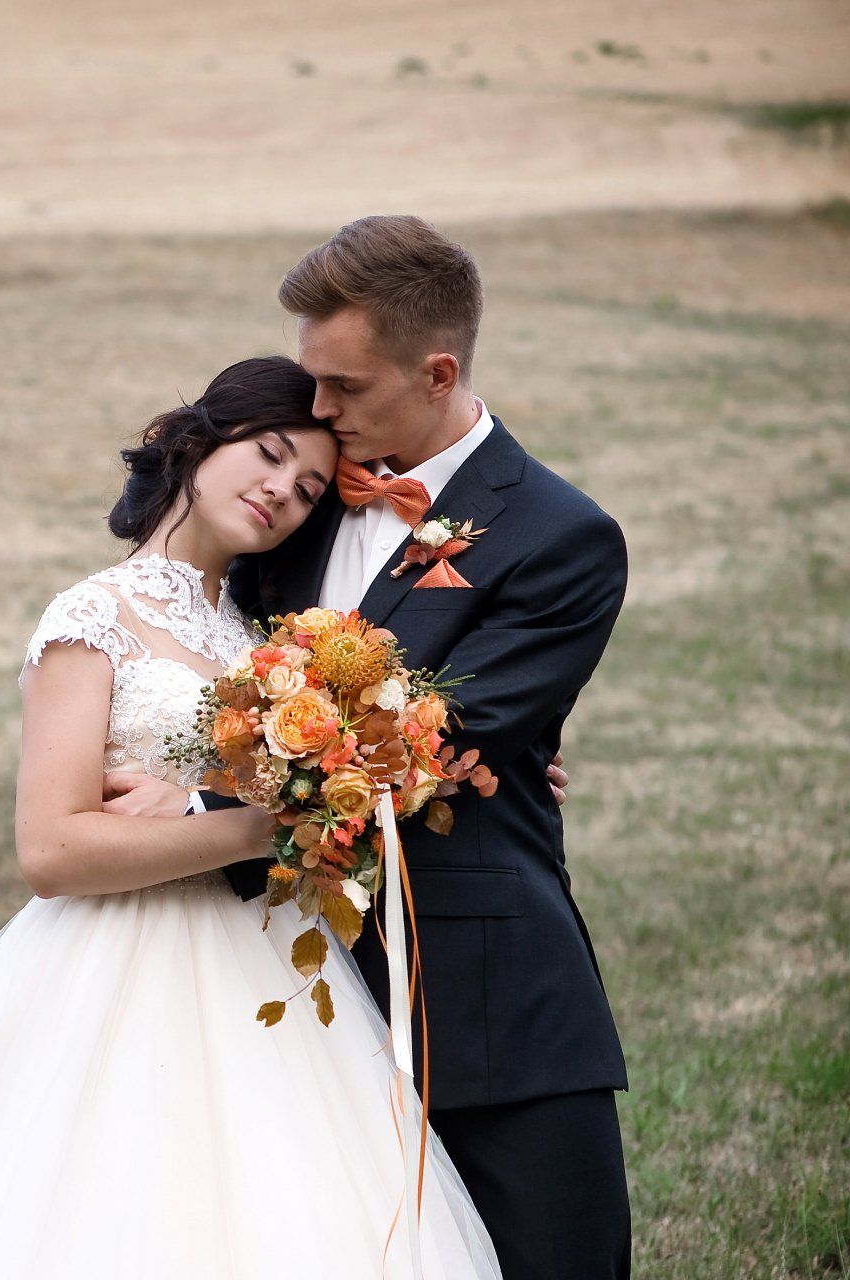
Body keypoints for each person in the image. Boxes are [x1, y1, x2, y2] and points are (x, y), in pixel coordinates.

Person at [0, 356, 504, 1279]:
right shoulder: (93, 617)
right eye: (270, 455)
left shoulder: (262, 636)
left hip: (260, 959)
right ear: (198, 440)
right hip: (113, 967)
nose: (284, 490)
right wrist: (260, 824)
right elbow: (51, 848)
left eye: (311, 487)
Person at [133, 217, 633, 1280]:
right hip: (275, 994)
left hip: (480, 998)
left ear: (437, 369)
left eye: (345, 388)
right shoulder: (299, 504)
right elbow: (180, 644)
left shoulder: (561, 536)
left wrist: (189, 807)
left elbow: (423, 739)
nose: (317, 413)